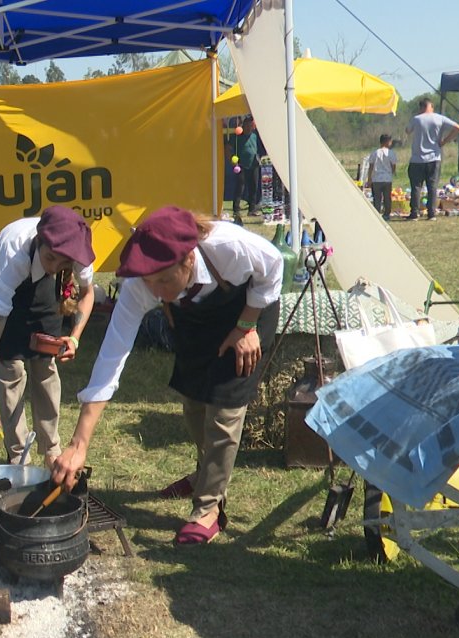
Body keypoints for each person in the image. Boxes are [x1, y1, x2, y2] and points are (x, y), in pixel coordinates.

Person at [48, 206, 283, 545]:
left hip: (246, 310)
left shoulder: (229, 248)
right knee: (194, 401)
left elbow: (274, 265)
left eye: (163, 280)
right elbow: (111, 358)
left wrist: (247, 325)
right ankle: (206, 473)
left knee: (223, 411)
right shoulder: (141, 285)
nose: (155, 292)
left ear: (188, 260)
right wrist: (78, 444)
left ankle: (209, 508)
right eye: (149, 282)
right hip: (196, 318)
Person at [0, 206, 96, 465]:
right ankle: (19, 455)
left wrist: (74, 337)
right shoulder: (14, 254)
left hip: (41, 285)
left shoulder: (78, 251)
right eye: (51, 258)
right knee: (12, 367)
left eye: (62, 263)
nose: (55, 266)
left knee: (45, 361)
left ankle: (51, 449)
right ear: (39, 241)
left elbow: (87, 294)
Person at [405, 98, 459, 221]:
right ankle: (431, 213)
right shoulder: (439, 118)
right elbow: (458, 128)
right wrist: (444, 141)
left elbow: (407, 131)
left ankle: (414, 213)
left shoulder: (416, 119)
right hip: (434, 158)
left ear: (421, 107)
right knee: (432, 186)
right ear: (431, 106)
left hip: (417, 159)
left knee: (416, 187)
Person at [367, 134, 398, 220]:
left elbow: (371, 166)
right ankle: (386, 214)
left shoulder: (375, 152)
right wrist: (393, 171)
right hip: (387, 179)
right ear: (387, 142)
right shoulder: (390, 153)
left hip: (376, 178)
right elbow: (393, 164)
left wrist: (369, 178)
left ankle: (377, 214)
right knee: (387, 197)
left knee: (377, 198)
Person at [235, 116, 261, 217]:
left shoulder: (255, 136)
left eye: (251, 125)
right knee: (240, 187)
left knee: (253, 187)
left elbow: (260, 148)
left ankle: (252, 209)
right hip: (241, 165)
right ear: (243, 126)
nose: (249, 127)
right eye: (247, 125)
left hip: (254, 164)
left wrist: (259, 157)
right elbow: (230, 147)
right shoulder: (238, 136)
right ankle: (236, 209)